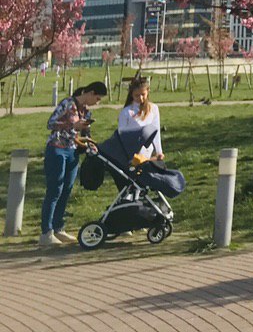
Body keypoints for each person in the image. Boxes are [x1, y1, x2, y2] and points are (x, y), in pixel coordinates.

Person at [41, 80, 106, 247]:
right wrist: (72, 124)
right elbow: (50, 123)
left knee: (66, 189)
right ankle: (46, 231)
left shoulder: (86, 111)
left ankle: (58, 227)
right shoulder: (68, 104)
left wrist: (90, 143)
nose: (96, 102)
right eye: (97, 98)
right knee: (55, 188)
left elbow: (85, 132)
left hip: (72, 151)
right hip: (57, 148)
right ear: (90, 93)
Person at [118, 75, 164, 160]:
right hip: (131, 151)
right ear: (131, 94)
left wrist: (159, 151)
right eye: (137, 95)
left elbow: (156, 131)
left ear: (148, 91)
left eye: (143, 94)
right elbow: (121, 134)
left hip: (147, 150)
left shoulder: (153, 108)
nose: (140, 98)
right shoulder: (126, 112)